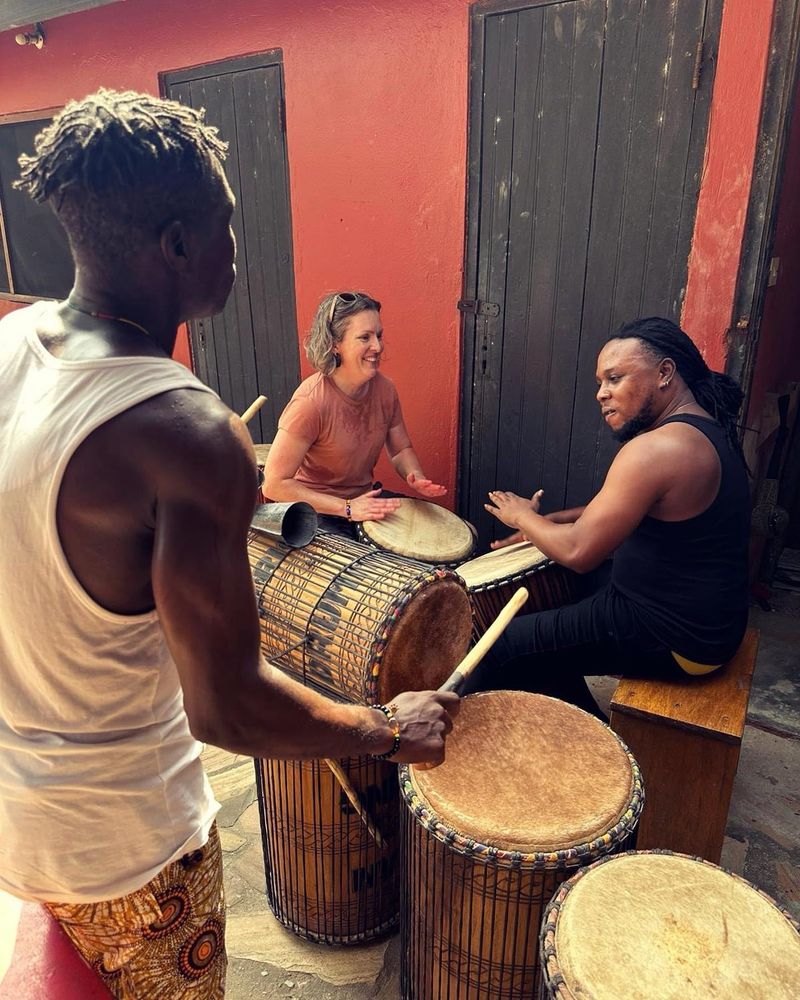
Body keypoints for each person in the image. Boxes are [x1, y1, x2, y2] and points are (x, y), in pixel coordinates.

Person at [0, 90, 458, 1000]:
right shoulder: (182, 431)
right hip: (130, 855)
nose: (237, 248)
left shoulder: (12, 342)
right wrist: (385, 729)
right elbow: (227, 708)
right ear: (178, 244)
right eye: (226, 224)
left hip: (19, 815)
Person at [468, 317, 750, 718]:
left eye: (615, 378)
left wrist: (522, 517)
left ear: (665, 373)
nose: (601, 393)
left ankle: (555, 745)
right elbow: (623, 506)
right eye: (601, 382)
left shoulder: (657, 449)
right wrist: (553, 522)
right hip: (707, 623)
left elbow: (579, 551)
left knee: (499, 647)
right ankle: (584, 721)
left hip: (675, 636)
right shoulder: (703, 428)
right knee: (555, 593)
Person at [263, 290, 446, 535]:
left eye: (379, 335)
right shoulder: (310, 402)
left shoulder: (385, 390)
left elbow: (401, 449)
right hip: (316, 512)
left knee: (431, 536)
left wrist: (415, 475)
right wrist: (347, 508)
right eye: (364, 338)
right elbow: (274, 484)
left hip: (362, 501)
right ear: (334, 344)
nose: (377, 346)